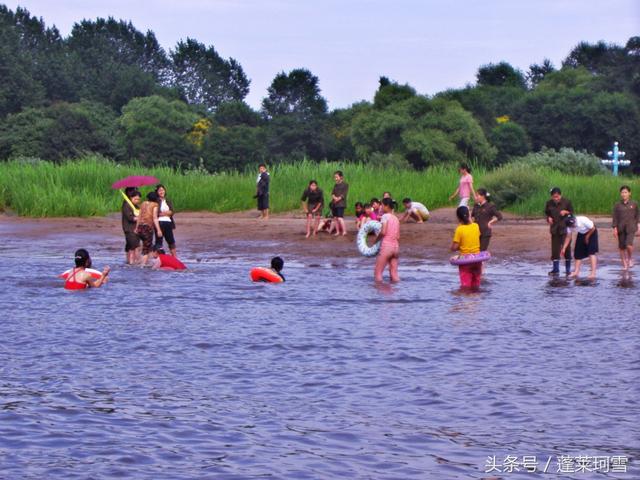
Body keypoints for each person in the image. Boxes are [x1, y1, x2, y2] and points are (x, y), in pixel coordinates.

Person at [450, 206, 482, 289]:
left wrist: (455, 247)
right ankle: (476, 301)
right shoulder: (476, 226)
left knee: (465, 287)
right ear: (469, 215)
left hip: (465, 261)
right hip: (477, 259)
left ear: (458, 218)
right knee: (476, 285)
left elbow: (454, 247)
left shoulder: (459, 229)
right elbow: (475, 237)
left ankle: (466, 301)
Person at [544, 187, 574, 275]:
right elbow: (547, 213)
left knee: (567, 249)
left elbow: (572, 213)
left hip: (565, 228)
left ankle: (568, 270)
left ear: (560, 195)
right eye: (554, 197)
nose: (556, 199)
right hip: (554, 229)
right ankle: (555, 269)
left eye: (557, 197)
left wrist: (566, 212)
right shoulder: (549, 203)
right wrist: (548, 218)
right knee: (555, 250)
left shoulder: (567, 202)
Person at [561, 215, 598, 280]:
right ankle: (576, 272)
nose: (573, 226)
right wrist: (564, 248)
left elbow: (593, 228)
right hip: (581, 233)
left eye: (573, 224)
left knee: (591, 252)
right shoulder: (568, 226)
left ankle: (593, 273)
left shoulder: (583, 220)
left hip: (591, 232)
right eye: (571, 226)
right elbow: (568, 237)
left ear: (574, 220)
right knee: (577, 253)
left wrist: (587, 236)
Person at [612, 185, 639, 270]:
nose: (624, 194)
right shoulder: (617, 205)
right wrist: (614, 228)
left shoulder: (634, 204)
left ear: (629, 193)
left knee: (629, 245)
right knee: (621, 247)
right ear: (620, 194)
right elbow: (615, 217)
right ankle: (624, 264)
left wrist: (639, 225)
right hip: (620, 228)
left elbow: (637, 215)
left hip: (631, 227)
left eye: (625, 192)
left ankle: (630, 259)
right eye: (622, 192)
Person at [373, 198, 400, 282]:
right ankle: (396, 293)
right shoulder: (396, 218)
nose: (381, 207)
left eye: (382, 205)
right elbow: (398, 236)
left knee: (378, 273)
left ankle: (378, 294)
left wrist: (375, 241)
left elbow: (383, 232)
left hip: (387, 247)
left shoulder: (385, 216)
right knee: (394, 274)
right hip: (396, 248)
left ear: (386, 206)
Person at [136, 191, 162, 266]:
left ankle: (150, 263)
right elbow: (154, 218)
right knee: (146, 248)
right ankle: (143, 266)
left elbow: (139, 216)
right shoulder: (155, 205)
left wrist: (136, 228)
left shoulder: (143, 203)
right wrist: (159, 230)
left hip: (140, 227)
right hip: (147, 228)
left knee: (148, 246)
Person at [155, 184, 177, 257]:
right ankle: (158, 258)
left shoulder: (168, 200)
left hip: (168, 223)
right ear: (157, 192)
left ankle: (175, 258)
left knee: (171, 241)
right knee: (159, 241)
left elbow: (172, 211)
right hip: (159, 223)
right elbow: (156, 213)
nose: (161, 192)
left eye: (163, 190)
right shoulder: (156, 201)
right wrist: (167, 213)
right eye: (159, 190)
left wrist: (165, 213)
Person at [121, 189, 141, 265]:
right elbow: (130, 218)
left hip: (135, 228)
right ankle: (132, 263)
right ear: (130, 197)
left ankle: (130, 262)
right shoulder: (126, 205)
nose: (137, 200)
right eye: (135, 199)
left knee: (131, 246)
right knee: (134, 247)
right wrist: (140, 217)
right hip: (129, 228)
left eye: (138, 199)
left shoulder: (135, 205)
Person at [330, 171, 349, 236]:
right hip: (334, 203)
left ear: (341, 177)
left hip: (341, 203)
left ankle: (344, 231)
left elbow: (344, 194)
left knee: (340, 217)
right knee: (335, 218)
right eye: (335, 177)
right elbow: (332, 193)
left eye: (336, 177)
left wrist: (337, 199)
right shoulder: (335, 185)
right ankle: (337, 231)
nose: (335, 178)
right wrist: (334, 198)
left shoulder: (345, 185)